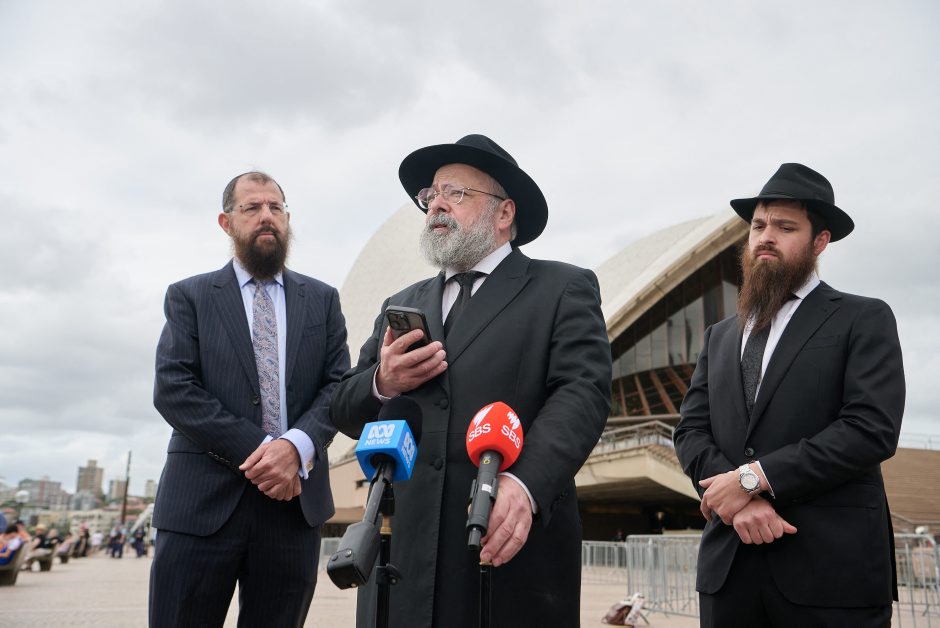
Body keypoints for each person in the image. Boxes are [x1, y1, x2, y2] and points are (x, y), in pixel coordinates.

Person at [330, 134, 612, 627]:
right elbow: (345, 408)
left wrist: (524, 484)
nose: (436, 205)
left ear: (504, 213)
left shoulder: (562, 288)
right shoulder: (402, 302)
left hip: (503, 553)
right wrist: (384, 380)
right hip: (401, 560)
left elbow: (581, 393)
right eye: (431, 195)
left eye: (455, 193)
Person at [673, 163, 905, 627]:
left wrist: (752, 479)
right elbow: (690, 431)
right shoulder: (720, 335)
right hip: (731, 572)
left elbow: (870, 429)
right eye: (758, 225)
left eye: (785, 227)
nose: (766, 237)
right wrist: (739, 500)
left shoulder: (862, 318)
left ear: (820, 242)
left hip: (830, 575)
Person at [149, 171, 350, 627]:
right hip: (201, 506)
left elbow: (339, 385)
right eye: (252, 207)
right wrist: (265, 451)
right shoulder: (190, 296)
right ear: (226, 222)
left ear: (287, 220)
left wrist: (295, 447)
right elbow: (174, 388)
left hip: (292, 510)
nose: (266, 217)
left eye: (276, 208)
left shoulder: (322, 300)